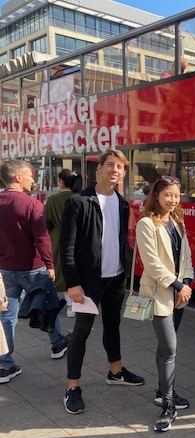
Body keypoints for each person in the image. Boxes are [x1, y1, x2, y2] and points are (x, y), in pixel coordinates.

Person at [60, 148, 145, 414]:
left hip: (116, 277)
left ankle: (115, 372)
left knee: (113, 325)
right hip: (88, 281)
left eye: (120, 167)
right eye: (110, 165)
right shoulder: (79, 202)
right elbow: (67, 246)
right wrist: (72, 283)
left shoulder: (122, 203)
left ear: (124, 173)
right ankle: (72, 386)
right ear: (99, 168)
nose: (114, 170)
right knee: (81, 331)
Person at [0, 160, 69, 384]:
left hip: (5, 269)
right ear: (18, 177)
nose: (33, 179)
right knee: (47, 306)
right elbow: (42, 238)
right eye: (30, 175)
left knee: (5, 317)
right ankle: (57, 343)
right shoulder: (32, 204)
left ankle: (4, 364)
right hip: (33, 268)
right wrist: (50, 265)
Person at [136, 176, 194, 432]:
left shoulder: (177, 223)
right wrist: (180, 286)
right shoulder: (146, 224)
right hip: (160, 294)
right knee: (170, 348)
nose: (172, 200)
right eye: (168, 195)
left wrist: (187, 283)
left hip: (178, 296)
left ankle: (163, 391)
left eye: (176, 195)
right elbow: (152, 264)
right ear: (157, 196)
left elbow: (187, 257)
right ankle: (168, 405)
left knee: (164, 347)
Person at [45, 169, 83, 318]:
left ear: (61, 182)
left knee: (62, 270)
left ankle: (70, 304)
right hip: (79, 239)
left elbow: (46, 223)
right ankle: (75, 303)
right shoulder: (81, 197)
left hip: (58, 239)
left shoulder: (53, 200)